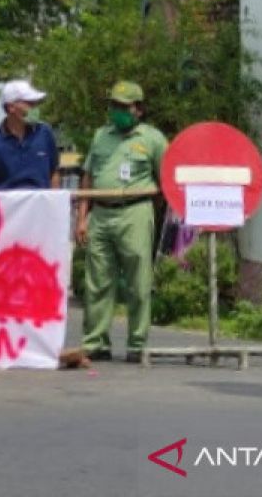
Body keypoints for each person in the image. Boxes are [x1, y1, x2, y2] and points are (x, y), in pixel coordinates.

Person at [75, 81, 168, 363]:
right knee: (98, 282)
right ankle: (95, 342)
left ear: (138, 109)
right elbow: (88, 176)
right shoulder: (101, 136)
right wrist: (82, 217)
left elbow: (167, 179)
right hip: (100, 214)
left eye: (122, 106)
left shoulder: (153, 139)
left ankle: (137, 343)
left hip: (135, 213)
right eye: (113, 105)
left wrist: (156, 215)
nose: (116, 111)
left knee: (138, 282)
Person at [0, 79, 60, 191]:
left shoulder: (45, 133)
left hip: (40, 206)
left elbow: (54, 174)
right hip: (7, 207)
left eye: (36, 104)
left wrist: (55, 203)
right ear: (11, 107)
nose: (35, 109)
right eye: (30, 104)